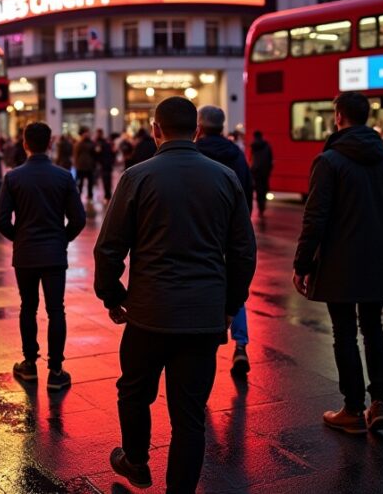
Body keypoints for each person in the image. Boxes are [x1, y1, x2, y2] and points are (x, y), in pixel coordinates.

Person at [94, 96, 256, 494]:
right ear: (197, 131)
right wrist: (229, 306)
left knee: (133, 391)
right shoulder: (225, 178)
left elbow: (109, 248)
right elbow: (243, 253)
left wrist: (112, 295)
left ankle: (136, 459)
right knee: (189, 416)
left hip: (148, 311)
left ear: (155, 130)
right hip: (202, 315)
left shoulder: (137, 177)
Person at [293, 92, 383, 434]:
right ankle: (380, 402)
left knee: (344, 331)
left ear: (338, 117)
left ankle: (352, 409)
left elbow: (315, 217)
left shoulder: (329, 161)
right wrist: (381, 237)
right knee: (373, 326)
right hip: (377, 258)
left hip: (338, 261)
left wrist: (303, 263)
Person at [0, 121, 86, 390]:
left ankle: (29, 364)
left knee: (28, 307)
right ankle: (56, 370)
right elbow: (78, 218)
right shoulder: (63, 176)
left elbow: (0, 219)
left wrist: (19, 238)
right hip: (54, 253)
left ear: (25, 143)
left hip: (26, 253)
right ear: (50, 143)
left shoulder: (13, 177)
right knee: (56, 309)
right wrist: (62, 239)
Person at [195, 106, 254, 377]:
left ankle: (203, 343)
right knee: (236, 284)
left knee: (202, 283)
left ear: (200, 126)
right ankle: (240, 344)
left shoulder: (195, 154)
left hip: (202, 230)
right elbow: (248, 190)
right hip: (233, 227)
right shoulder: (237, 155)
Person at [250, 131, 274, 218]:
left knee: (258, 188)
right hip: (265, 171)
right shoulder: (267, 146)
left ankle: (260, 206)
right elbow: (271, 159)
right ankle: (263, 205)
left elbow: (251, 159)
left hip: (256, 171)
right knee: (264, 187)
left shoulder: (253, 146)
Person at [73, 127, 97, 202]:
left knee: (90, 183)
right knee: (80, 183)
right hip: (81, 166)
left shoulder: (91, 143)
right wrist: (76, 164)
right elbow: (76, 154)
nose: (87, 134)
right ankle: (79, 196)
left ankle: (90, 196)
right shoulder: (79, 143)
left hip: (89, 166)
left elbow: (94, 153)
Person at [94, 129, 115, 201]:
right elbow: (112, 153)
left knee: (105, 180)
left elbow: (97, 153)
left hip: (103, 164)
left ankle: (107, 195)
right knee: (107, 180)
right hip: (107, 164)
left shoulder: (99, 143)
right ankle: (107, 195)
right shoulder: (106, 142)